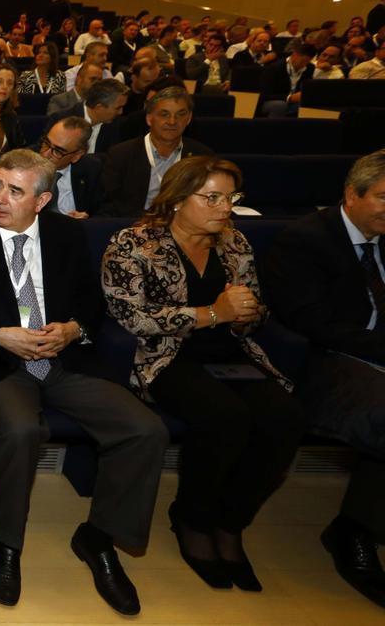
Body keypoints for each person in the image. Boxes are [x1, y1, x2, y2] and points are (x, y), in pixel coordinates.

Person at [0, 149, 166, 614]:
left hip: (63, 359)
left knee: (145, 430)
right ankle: (7, 544)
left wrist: (73, 329)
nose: (0, 198)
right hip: (1, 360)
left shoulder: (66, 234)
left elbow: (92, 299)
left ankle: (98, 538)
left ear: (42, 200)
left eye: (14, 191)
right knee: (21, 430)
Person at [103, 156, 303, 593]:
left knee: (284, 419)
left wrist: (245, 313)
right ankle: (192, 520)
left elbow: (254, 314)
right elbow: (130, 316)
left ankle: (230, 523)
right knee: (224, 417)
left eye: (231, 198)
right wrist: (211, 313)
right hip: (167, 357)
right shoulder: (134, 243)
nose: (224, 208)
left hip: (232, 353)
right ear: (177, 199)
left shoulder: (235, 245)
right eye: (211, 197)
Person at [263, 150, 385, 608]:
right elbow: (312, 323)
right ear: (351, 195)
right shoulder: (307, 241)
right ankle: (355, 531)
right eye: (384, 198)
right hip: (332, 359)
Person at [100, 86, 212, 217]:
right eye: (164, 114)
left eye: (180, 115)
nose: (172, 121)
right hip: (135, 225)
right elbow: (110, 205)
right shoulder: (120, 155)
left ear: (188, 118)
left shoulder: (202, 156)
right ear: (149, 118)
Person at [38, 116, 104, 218]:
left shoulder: (92, 169)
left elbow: (104, 210)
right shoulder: (24, 162)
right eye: (46, 143)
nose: (46, 154)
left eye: (58, 151)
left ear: (77, 155)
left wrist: (87, 219)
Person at [46, 78, 129, 155]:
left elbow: (111, 156)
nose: (121, 112)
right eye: (118, 108)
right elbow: (46, 152)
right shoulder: (62, 119)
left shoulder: (114, 123)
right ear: (99, 107)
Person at [258, 44, 315, 118]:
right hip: (272, 101)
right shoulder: (274, 68)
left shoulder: (309, 68)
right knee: (280, 105)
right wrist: (289, 98)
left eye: (307, 61)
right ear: (294, 55)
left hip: (295, 102)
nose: (304, 64)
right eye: (302, 61)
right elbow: (265, 94)